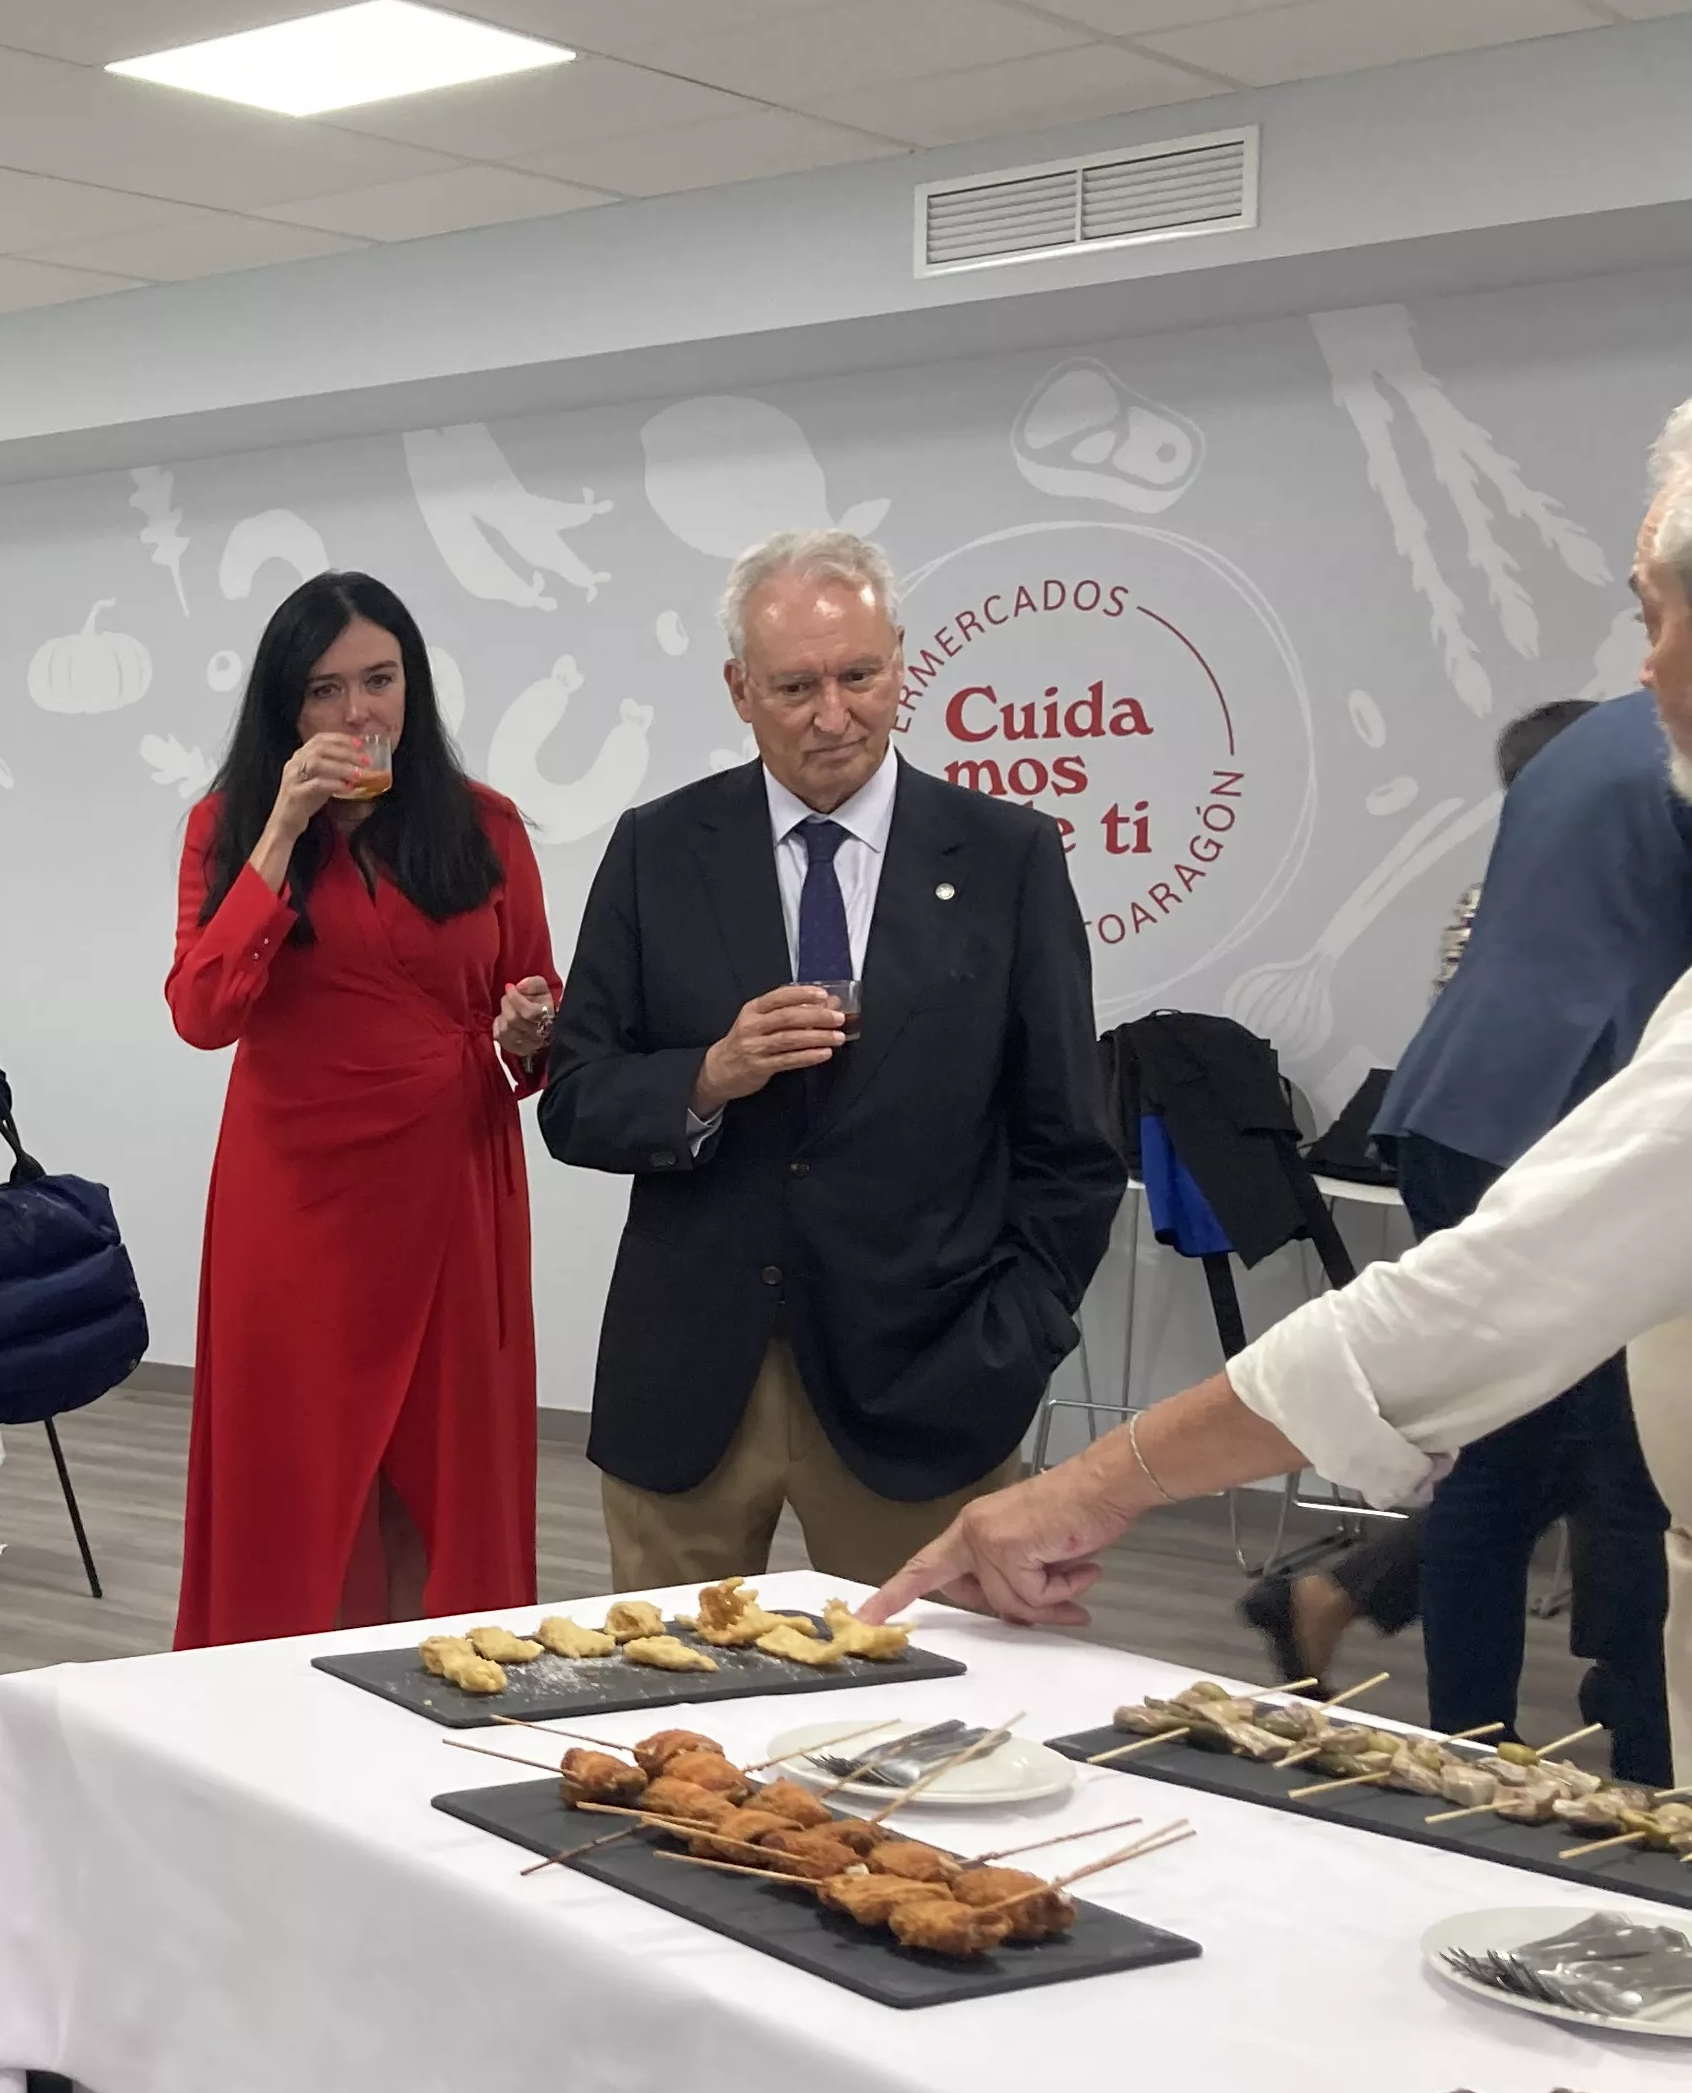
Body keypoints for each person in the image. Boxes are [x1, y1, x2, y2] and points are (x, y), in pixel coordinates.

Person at [872, 419, 1692, 1776]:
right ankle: (1524, 1743)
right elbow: (1462, 1317)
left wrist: (1080, 1491)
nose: (1648, 665)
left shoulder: (1581, 756)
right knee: (1550, 1441)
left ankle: (1516, 1731)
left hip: (1481, 1120)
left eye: (1663, 620)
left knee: (1556, 1442)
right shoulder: (1638, 758)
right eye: (1642, 618)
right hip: (1552, 1136)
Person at [542, 528, 1120, 1590]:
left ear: (900, 660)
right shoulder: (656, 850)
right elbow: (574, 1100)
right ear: (739, 689)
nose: (833, 714)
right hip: (691, 1392)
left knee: (926, 1728)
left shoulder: (1007, 859)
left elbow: (1071, 1148)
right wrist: (706, 1077)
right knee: (677, 1727)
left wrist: (1014, 1341)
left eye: (859, 675)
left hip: (929, 1389)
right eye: (795, 685)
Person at [169, 573, 556, 1645]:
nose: (356, 714)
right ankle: (280, 1722)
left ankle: (445, 1703)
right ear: (286, 711)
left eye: (378, 681)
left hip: (452, 1174)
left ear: (412, 687)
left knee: (449, 1471)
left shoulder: (485, 825)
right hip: (294, 1195)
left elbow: (536, 993)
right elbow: (203, 1012)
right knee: (298, 1472)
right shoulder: (230, 825)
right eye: (325, 690)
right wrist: (284, 829)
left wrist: (529, 1029)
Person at [1342, 667, 1692, 1778]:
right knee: (1639, 1465)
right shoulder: (1668, 740)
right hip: (1577, 1100)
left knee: (1498, 1456)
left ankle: (1474, 1747)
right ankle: (1649, 1767)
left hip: (1462, 1100)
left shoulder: (1602, 734)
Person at [1249, 695, 1609, 1688]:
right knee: (1567, 1442)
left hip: (1464, 1149)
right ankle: (1493, 1722)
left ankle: (1354, 1599)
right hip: (1529, 1169)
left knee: (1548, 1441)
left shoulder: (1493, 890)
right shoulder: (1603, 888)